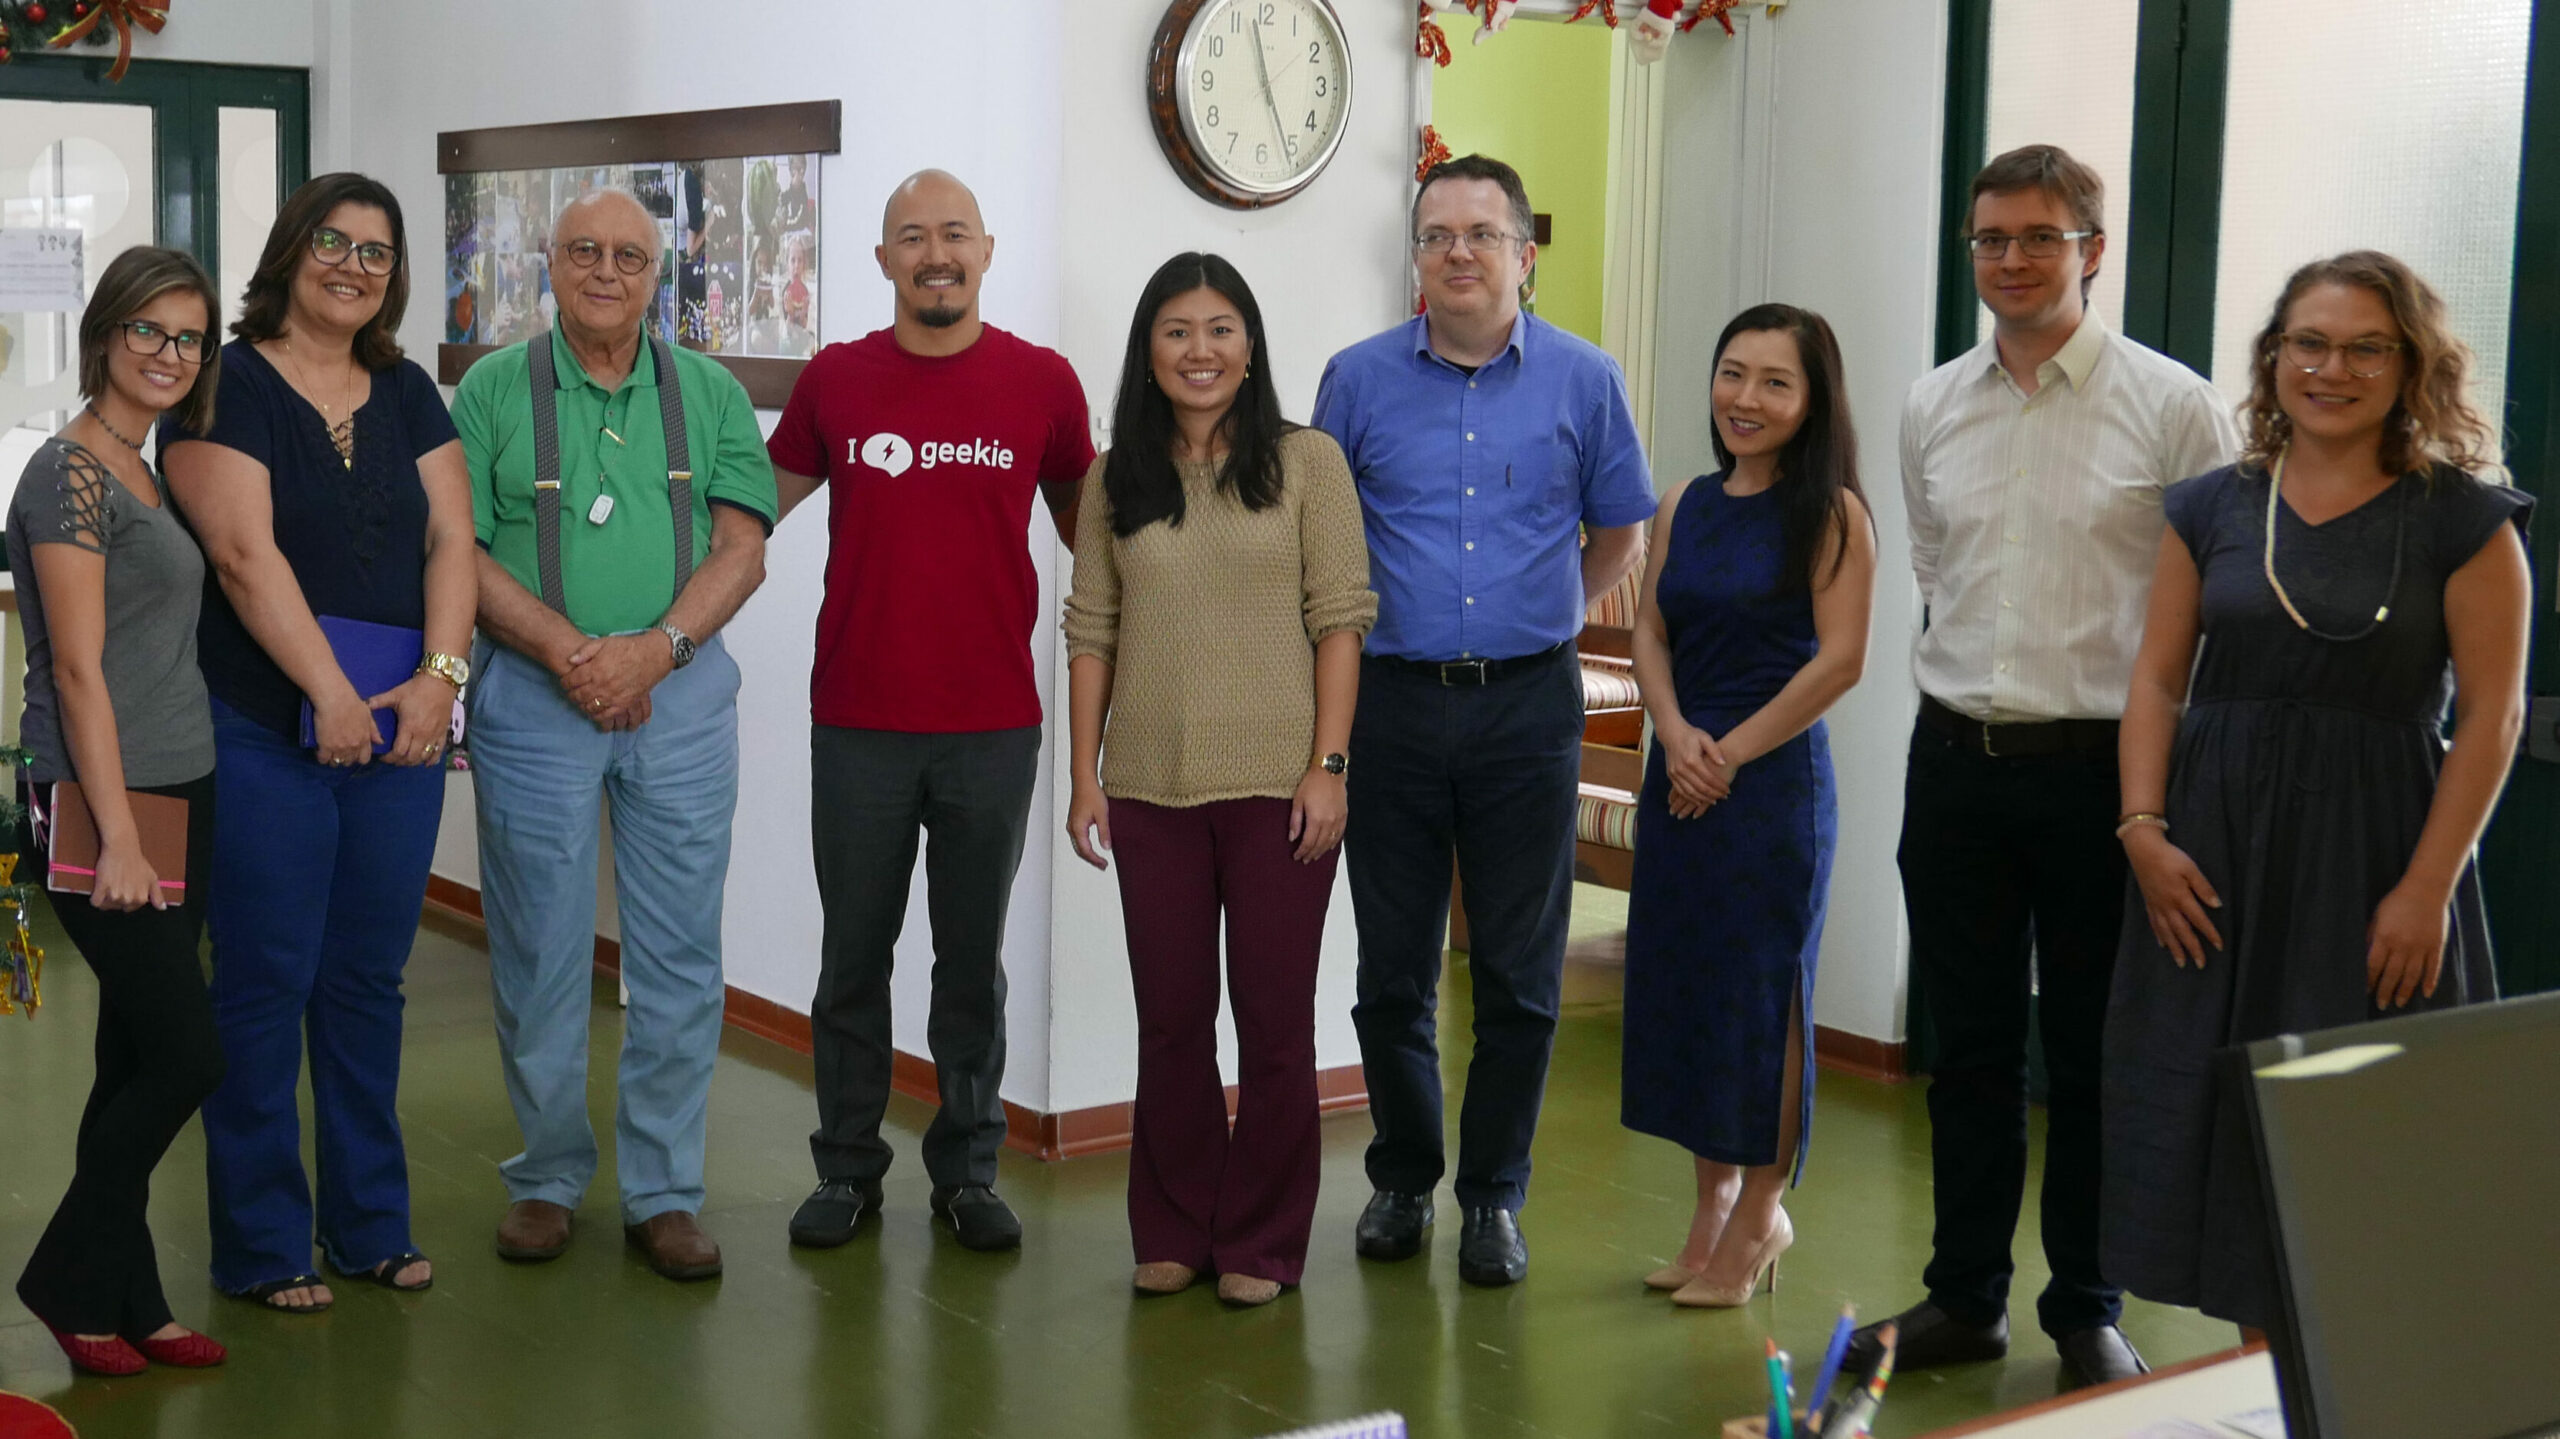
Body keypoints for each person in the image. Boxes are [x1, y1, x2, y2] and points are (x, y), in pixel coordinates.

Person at [1853, 144, 2239, 1388]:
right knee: (1962, 1050)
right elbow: (1936, 567)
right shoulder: (1931, 402)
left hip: (2102, 777)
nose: (2011, 260)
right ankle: (1962, 1296)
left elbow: (2207, 611)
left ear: (2091, 250)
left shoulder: (2173, 405)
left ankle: (2085, 1303)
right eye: (1990, 239)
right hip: (1956, 761)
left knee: (2087, 1055)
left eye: (2037, 237)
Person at [2101, 252, 2530, 1332]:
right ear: (2274, 357)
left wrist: (2427, 887)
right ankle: (2262, 1380)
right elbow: (2155, 677)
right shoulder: (2210, 505)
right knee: (2233, 1134)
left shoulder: (2464, 522)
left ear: (2408, 365)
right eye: (2309, 343)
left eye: (2362, 347)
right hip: (2216, 859)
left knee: (2357, 1139)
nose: (2330, 368)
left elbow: (2491, 715)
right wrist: (2143, 829)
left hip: (2373, 862)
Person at [1312, 154, 1654, 1287]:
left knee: (1518, 970)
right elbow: (1324, 548)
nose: (1457, 250)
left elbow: (1618, 537)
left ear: (1523, 253)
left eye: (1480, 231)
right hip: (1394, 706)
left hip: (1527, 706)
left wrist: (1545, 597)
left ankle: (1494, 1195)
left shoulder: (1585, 379)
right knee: (1393, 968)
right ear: (1415, 257)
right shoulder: (1354, 381)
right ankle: (1404, 1176)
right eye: (1435, 233)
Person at [163, 174, 474, 1314]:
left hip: (399, 733)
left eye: (378, 253)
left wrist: (439, 682)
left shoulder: (405, 391)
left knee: (366, 981)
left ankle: (368, 1225)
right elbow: (245, 557)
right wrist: (331, 694)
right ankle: (258, 1242)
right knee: (262, 981)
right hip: (260, 728)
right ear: (292, 250)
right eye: (334, 244)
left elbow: (453, 538)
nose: (354, 265)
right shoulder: (223, 383)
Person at [765, 170, 1091, 1254]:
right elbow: (747, 514)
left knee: (970, 961)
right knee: (853, 956)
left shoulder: (1042, 385)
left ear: (987, 251)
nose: (935, 252)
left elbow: (1102, 537)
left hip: (994, 725)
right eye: (913, 236)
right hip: (856, 719)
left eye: (954, 234)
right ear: (883, 260)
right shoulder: (836, 382)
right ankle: (848, 1166)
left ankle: (967, 1168)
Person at [452, 189, 775, 1282]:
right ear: (548, 263)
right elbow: (461, 555)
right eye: (583, 251)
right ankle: (544, 1176)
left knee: (678, 954)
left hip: (678, 704)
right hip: (533, 700)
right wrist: (570, 652)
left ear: (657, 273)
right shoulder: (491, 390)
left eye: (628, 256)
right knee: (538, 946)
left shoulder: (712, 391)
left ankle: (664, 1191)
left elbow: (741, 549)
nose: (605, 271)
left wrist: (654, 652)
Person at [1062, 253, 1377, 1306]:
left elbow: (1341, 619)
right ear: (1147, 355)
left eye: (1221, 329)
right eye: (1177, 332)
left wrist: (1328, 766)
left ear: (1250, 349)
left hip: (1281, 785)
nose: (1200, 350)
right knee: (1171, 1017)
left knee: (1276, 1022)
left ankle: (1263, 1239)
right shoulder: (1115, 476)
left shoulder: (1308, 462)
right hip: (1148, 785)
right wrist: (1083, 775)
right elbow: (1091, 629)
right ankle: (1174, 1224)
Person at [1621, 304, 1875, 1309]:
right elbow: (1649, 630)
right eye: (1734, 373)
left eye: (1775, 380)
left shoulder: (1834, 512)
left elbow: (1842, 660)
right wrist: (1673, 731)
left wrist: (1723, 751)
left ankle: (1763, 1211)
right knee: (1693, 993)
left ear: (1812, 400)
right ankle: (1709, 1204)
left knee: (1762, 1003)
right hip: (1681, 769)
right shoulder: (1684, 499)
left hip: (1767, 787)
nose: (1747, 397)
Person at [8, 246, 228, 1377]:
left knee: (132, 1052)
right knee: (190, 1054)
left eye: (188, 338)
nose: (166, 353)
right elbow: (81, 673)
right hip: (100, 801)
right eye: (148, 329)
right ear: (104, 334)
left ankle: (131, 1297)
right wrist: (125, 837)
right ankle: (65, 1273)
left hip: (178, 784)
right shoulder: (69, 474)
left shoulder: (147, 468)